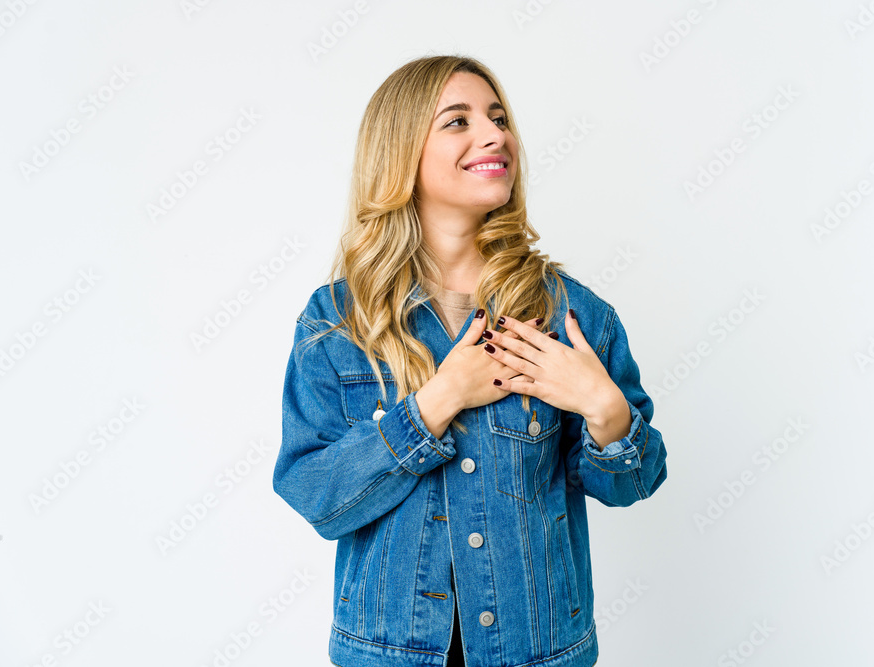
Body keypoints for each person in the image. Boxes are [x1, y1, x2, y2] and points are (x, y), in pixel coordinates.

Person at [272, 54, 667, 667]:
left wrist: (604, 409)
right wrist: (438, 399)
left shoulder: (572, 316)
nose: (495, 135)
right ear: (401, 152)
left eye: (498, 117)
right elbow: (317, 496)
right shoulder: (338, 322)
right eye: (457, 121)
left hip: (539, 654)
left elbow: (633, 485)